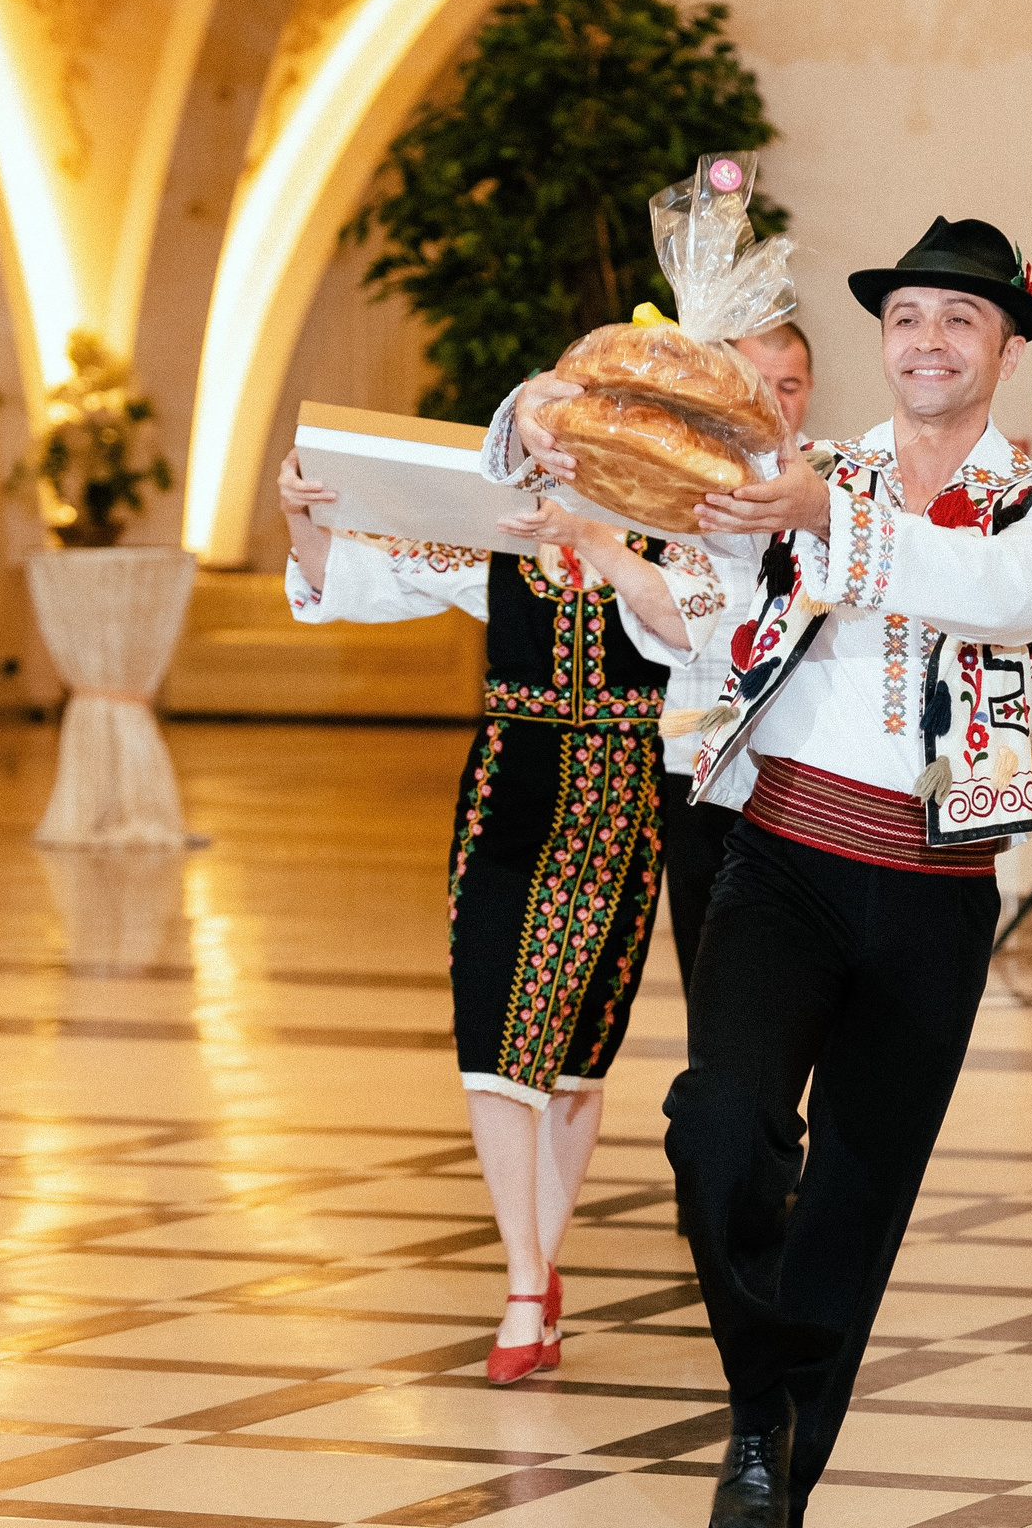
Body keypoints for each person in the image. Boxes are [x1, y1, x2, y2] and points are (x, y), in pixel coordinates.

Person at [490, 216, 1032, 1528]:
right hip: (782, 857)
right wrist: (585, 507)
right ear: (883, 344)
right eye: (908, 319)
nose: (928, 341)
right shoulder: (795, 473)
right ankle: (764, 1385)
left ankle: (769, 1470)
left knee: (855, 1214)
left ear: (1005, 347)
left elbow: (1000, 598)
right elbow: (695, 617)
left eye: (959, 321)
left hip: (939, 897)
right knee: (718, 1122)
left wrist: (827, 514)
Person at [277, 451, 727, 1390]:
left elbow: (695, 627)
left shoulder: (677, 532)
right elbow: (350, 577)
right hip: (507, 794)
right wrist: (304, 518)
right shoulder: (493, 528)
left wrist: (597, 542)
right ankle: (526, 1279)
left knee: (574, 1057)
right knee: (491, 1038)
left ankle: (541, 1263)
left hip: (621, 798)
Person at [655, 324, 814, 995]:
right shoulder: (674, 477)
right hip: (695, 748)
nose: (775, 403)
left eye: (790, 385)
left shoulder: (834, 482)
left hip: (797, 758)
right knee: (707, 956)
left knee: (797, 959)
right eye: (756, 384)